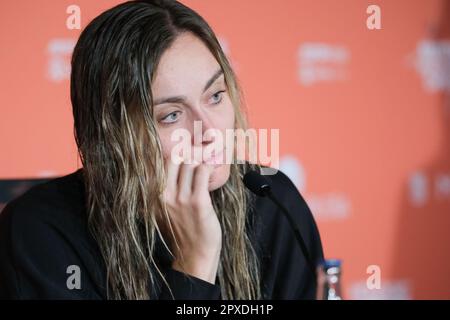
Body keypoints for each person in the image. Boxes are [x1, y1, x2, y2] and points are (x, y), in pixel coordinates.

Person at [0, 0, 323, 299]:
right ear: (111, 132)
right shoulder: (39, 233)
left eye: (215, 95)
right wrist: (195, 264)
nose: (210, 131)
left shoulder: (271, 201)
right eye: (171, 115)